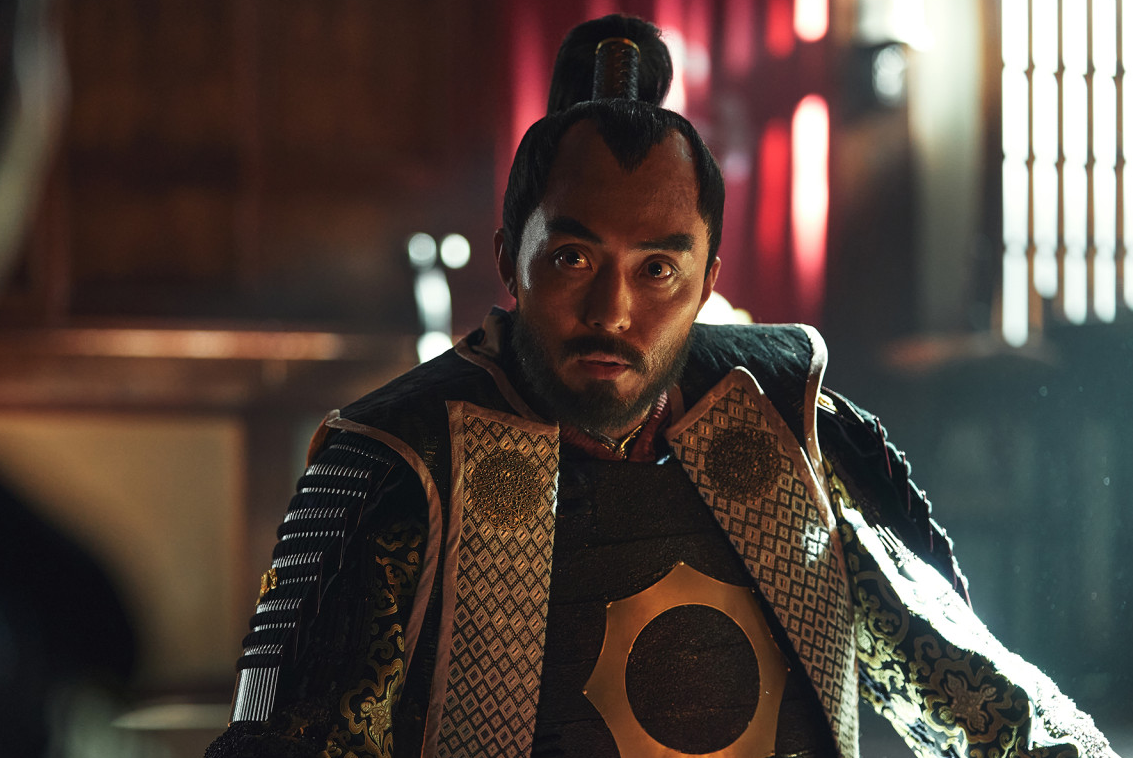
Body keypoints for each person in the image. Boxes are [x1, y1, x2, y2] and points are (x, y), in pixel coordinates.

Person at [207, 15, 1118, 758]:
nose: (612, 310)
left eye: (657, 269)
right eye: (573, 258)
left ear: (707, 279)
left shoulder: (790, 429)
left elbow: (977, 699)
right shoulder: (396, 463)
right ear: (510, 261)